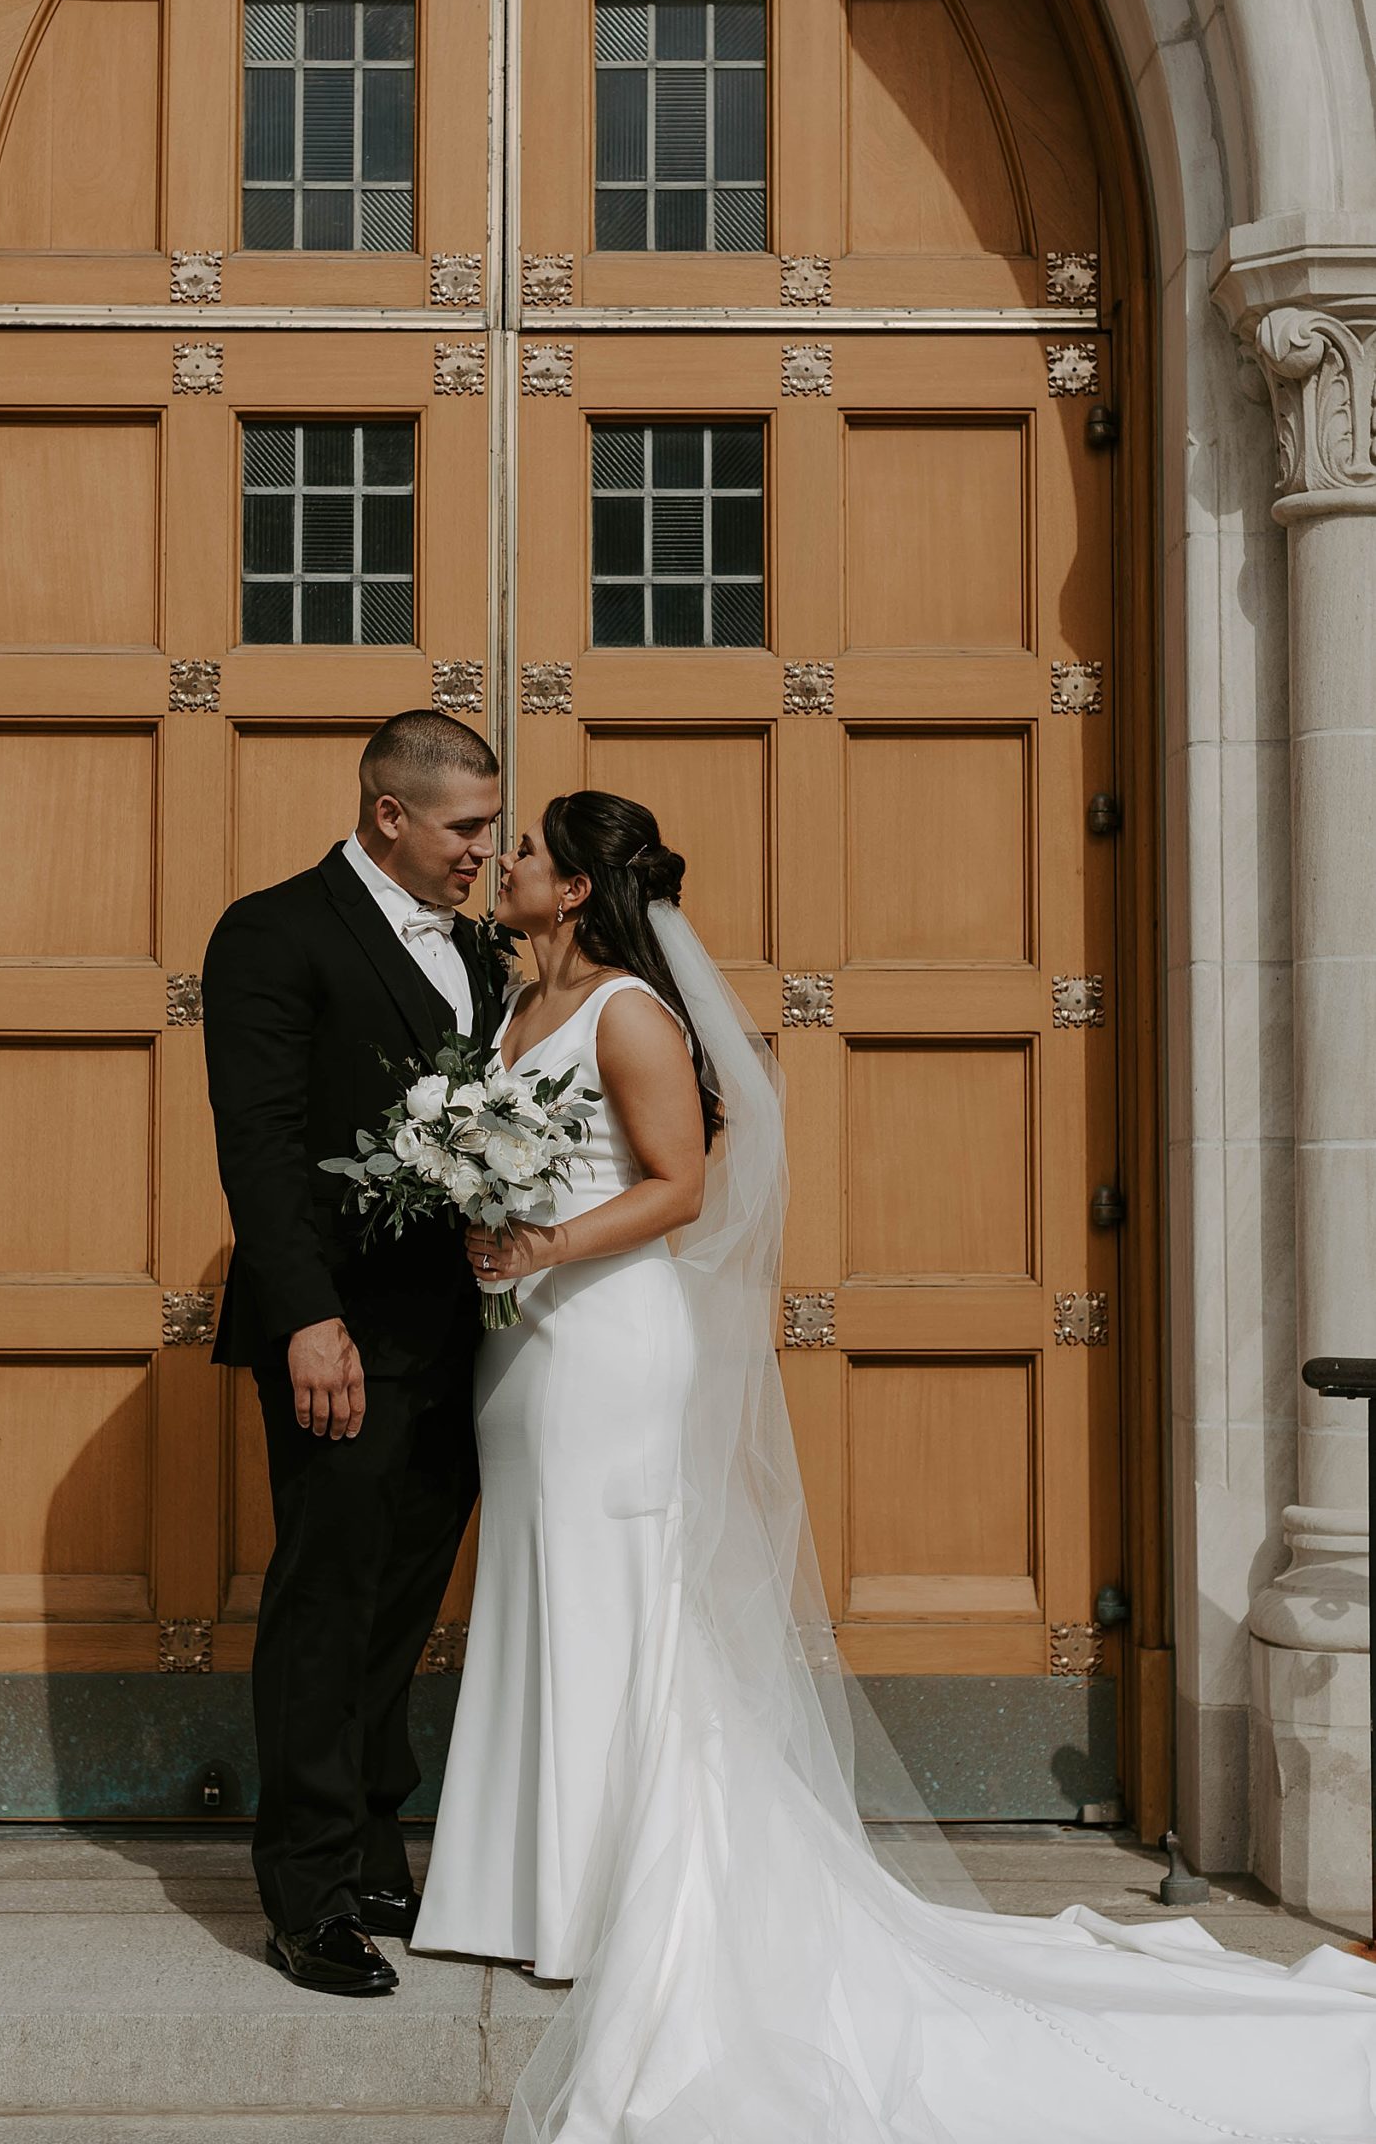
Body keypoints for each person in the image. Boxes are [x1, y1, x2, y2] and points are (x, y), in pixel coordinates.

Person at [414, 789, 1376, 2142]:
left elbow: (681, 1183)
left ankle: (603, 1894)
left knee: (608, 1592)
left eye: (525, 853)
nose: (504, 865)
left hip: (607, 1350)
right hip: (521, 1358)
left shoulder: (630, 1011)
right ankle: (515, 1883)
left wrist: (542, 1249)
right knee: (537, 1589)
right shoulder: (513, 1015)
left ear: (576, 890)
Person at [200, 709, 508, 1999]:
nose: (482, 855)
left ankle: (379, 1842)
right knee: (326, 1603)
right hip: (339, 1335)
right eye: (465, 830)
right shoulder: (271, 933)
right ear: (390, 813)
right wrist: (308, 1319)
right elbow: (261, 1149)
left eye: (491, 832)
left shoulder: (486, 954)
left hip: (463, 1339)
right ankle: (308, 1894)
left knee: (403, 1599)